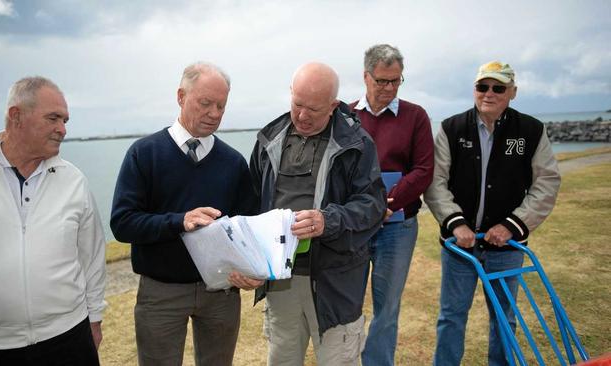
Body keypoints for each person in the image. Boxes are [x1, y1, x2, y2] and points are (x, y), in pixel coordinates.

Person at [110, 62, 260, 366]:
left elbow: (249, 227)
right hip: (160, 293)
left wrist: (251, 269)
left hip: (221, 293)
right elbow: (122, 223)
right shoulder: (144, 153)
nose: (215, 113)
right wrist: (180, 221)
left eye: (221, 105)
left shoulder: (233, 163)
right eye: (205, 103)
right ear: (181, 96)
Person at [0, 76, 106, 365]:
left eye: (65, 120)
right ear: (16, 116)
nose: (62, 129)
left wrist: (95, 318)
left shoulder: (73, 180)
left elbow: (92, 257)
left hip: (70, 336)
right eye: (53, 118)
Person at [424, 61, 561, 366]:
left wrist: (513, 225)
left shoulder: (531, 130)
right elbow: (435, 182)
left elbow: (547, 182)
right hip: (460, 247)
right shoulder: (451, 128)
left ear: (512, 92)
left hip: (507, 247)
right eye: (482, 86)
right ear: (474, 89)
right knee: (451, 317)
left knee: (504, 318)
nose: (489, 93)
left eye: (498, 87)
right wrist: (455, 223)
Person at [249, 62, 386, 366]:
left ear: (334, 105)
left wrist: (328, 220)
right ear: (290, 94)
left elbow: (373, 207)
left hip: (335, 283)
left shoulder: (358, 144)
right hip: (281, 280)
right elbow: (251, 205)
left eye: (313, 109)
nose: (302, 115)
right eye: (297, 104)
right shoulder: (268, 140)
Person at [350, 44, 434, 366]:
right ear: (366, 76)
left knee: (387, 309)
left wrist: (389, 203)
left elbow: (424, 170)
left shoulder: (416, 116)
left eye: (395, 81)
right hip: (355, 227)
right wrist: (364, 210)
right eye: (381, 81)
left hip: (397, 229)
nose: (388, 89)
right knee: (348, 303)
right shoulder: (345, 115)